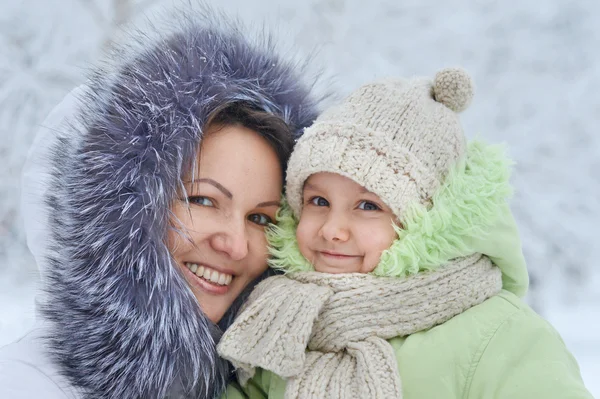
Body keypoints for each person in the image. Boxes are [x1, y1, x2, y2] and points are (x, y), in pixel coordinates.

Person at [0, 6, 322, 399]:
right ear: (117, 213)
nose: (236, 245)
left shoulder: (263, 385)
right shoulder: (25, 385)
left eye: (260, 218)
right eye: (203, 199)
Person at [217, 68, 593, 398]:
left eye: (368, 206)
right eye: (318, 201)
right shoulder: (278, 319)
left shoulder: (500, 335)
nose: (332, 230)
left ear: (425, 220)